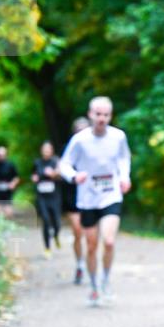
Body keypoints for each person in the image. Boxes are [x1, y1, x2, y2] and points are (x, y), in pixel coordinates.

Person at [57, 97, 132, 306]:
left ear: (110, 116)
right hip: (88, 199)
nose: (102, 118)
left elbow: (124, 159)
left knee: (109, 241)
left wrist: (125, 177)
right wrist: (74, 176)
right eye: (98, 114)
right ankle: (94, 286)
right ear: (90, 114)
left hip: (110, 195)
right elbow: (64, 164)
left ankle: (106, 280)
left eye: (106, 115)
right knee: (91, 246)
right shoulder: (80, 140)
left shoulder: (118, 137)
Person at [62, 117, 90, 284]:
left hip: (92, 196)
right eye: (78, 130)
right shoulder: (69, 149)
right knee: (78, 232)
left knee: (90, 234)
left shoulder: (98, 147)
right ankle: (80, 264)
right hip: (73, 195)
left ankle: (90, 261)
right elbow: (63, 168)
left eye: (84, 129)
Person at [31, 141, 61, 259]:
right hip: (41, 197)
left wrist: (53, 174)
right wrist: (34, 178)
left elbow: (61, 176)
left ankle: (56, 235)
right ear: (41, 150)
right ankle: (47, 248)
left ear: (52, 150)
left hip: (54, 197)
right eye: (44, 149)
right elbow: (33, 175)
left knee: (56, 222)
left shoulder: (55, 162)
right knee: (46, 221)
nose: (46, 151)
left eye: (48, 149)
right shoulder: (37, 163)